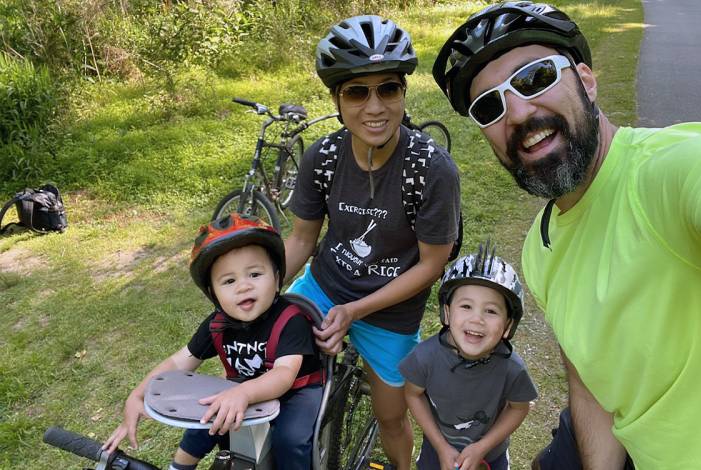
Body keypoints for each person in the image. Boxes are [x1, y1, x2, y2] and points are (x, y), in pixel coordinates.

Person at [432, 2, 701, 469]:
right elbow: (590, 381)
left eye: (535, 78)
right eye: (490, 106)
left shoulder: (670, 172)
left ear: (587, 80)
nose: (517, 112)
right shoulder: (539, 250)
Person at [284, 14, 461, 469]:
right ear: (336, 99)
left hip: (390, 311)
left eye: (388, 88)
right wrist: (260, 292)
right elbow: (302, 240)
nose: (375, 106)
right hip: (323, 288)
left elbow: (431, 265)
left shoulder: (431, 169)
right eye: (357, 92)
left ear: (404, 92)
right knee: (272, 373)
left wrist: (356, 312)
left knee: (391, 418)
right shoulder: (323, 157)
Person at [103, 213, 323, 470]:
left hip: (297, 391)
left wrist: (242, 392)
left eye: (254, 274)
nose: (243, 286)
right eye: (229, 281)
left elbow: (284, 375)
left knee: (291, 440)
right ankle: (179, 467)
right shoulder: (217, 324)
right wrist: (137, 395)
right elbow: (178, 362)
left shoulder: (290, 320)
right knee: (206, 419)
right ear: (213, 294)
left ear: (276, 279)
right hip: (242, 387)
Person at [400, 242, 537, 470]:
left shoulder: (512, 369)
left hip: (490, 456)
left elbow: (519, 407)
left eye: (491, 311)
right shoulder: (424, 357)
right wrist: (441, 446)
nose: (477, 319)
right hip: (437, 451)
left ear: (508, 325)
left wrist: (482, 447)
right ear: (447, 311)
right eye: (466, 306)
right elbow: (413, 395)